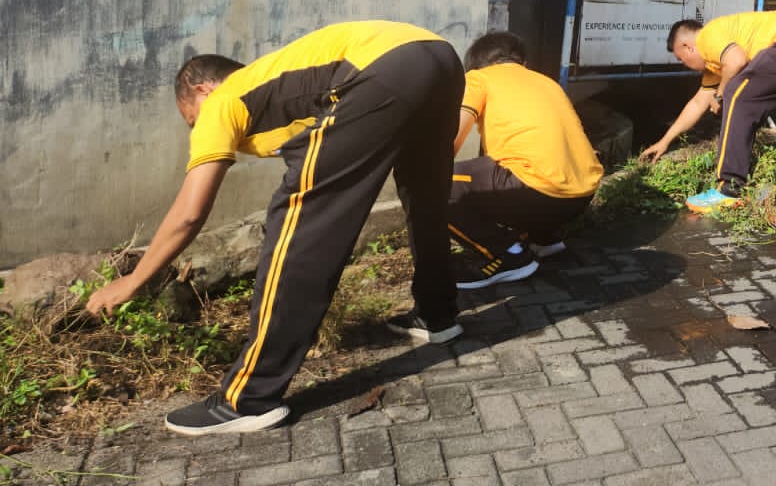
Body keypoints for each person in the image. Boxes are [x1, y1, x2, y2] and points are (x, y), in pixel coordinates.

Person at [86, 21, 463, 436]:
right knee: (425, 197)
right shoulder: (280, 84)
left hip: (384, 67)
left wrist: (134, 281)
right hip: (439, 56)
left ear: (201, 89)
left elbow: (190, 213)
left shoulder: (223, 100)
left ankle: (249, 398)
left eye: (191, 121)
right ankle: (437, 315)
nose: (196, 129)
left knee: (299, 221)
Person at [448, 32, 603, 290]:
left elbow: (449, 139)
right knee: (506, 170)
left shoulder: (478, 78)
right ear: (523, 63)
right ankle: (544, 238)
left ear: (475, 66)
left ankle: (509, 255)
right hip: (582, 195)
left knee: (434, 184)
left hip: (538, 192)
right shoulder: (548, 82)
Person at [645, 10, 776, 211]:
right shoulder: (715, 64)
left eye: (681, 58)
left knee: (737, 94)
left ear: (688, 47)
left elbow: (736, 60)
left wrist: (720, 94)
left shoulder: (707, 36)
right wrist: (664, 141)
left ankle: (728, 188)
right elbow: (697, 104)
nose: (685, 65)